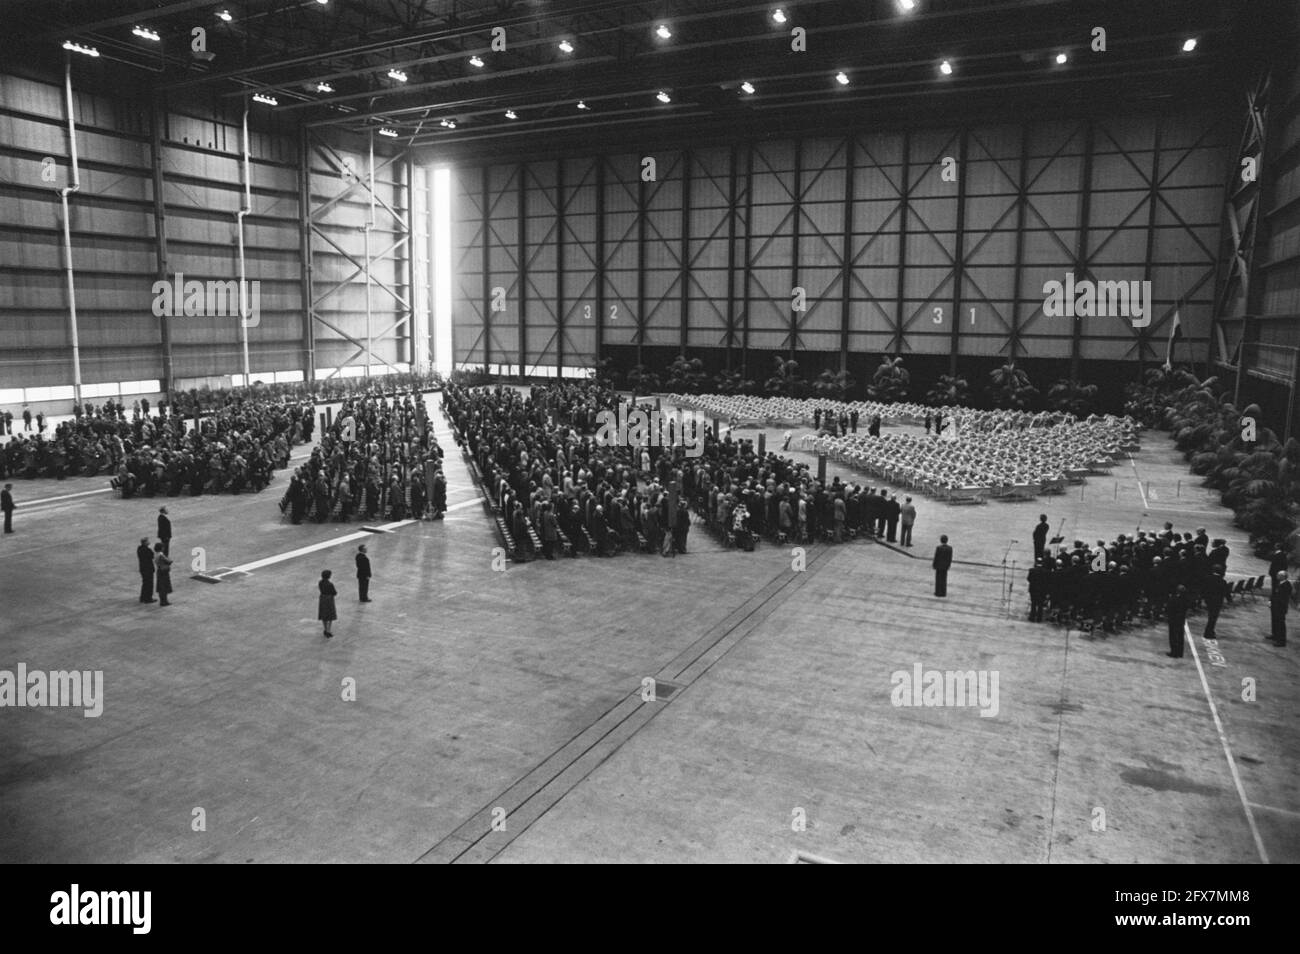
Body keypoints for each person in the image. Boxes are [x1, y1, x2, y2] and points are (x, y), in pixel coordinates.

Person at [1202, 565, 1226, 639]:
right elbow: (1225, 592)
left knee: (1211, 617)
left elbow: (1204, 589)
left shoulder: (1207, 578)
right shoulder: (1222, 581)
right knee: (1213, 618)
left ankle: (1210, 631)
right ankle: (1208, 632)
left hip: (1209, 600)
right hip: (1217, 601)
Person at [1270, 572, 1292, 647]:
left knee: (1280, 624)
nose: (1277, 575)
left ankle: (1281, 641)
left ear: (1283, 577)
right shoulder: (1280, 583)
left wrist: (1278, 605)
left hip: (1280, 607)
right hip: (1276, 606)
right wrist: (1271, 601)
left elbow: (1283, 598)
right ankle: (1275, 635)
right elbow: (1275, 593)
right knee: (1275, 621)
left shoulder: (1286, 585)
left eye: (1278, 575)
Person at [1166, 584, 1188, 657]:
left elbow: (1169, 609)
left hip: (1173, 619)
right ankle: (1180, 652)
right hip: (1181, 620)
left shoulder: (1173, 599)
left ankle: (1174, 652)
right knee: (1180, 636)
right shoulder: (1185, 600)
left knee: (1173, 636)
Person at [318, 570, 337, 637]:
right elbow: (334, 593)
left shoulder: (320, 582)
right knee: (330, 616)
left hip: (322, 598)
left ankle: (325, 629)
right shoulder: (330, 584)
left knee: (324, 615)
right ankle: (328, 630)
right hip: (329, 600)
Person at [137, 537, 156, 603]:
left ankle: (143, 597)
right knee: (149, 584)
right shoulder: (147, 550)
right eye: (147, 541)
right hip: (148, 569)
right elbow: (152, 555)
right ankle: (148, 598)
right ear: (145, 542)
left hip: (142, 568)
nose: (149, 542)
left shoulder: (139, 549)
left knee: (145, 583)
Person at [154, 542, 173, 607]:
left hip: (159, 570)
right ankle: (164, 601)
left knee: (160, 587)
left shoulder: (156, 554)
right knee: (164, 586)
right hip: (163, 571)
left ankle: (162, 600)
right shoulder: (161, 555)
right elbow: (169, 561)